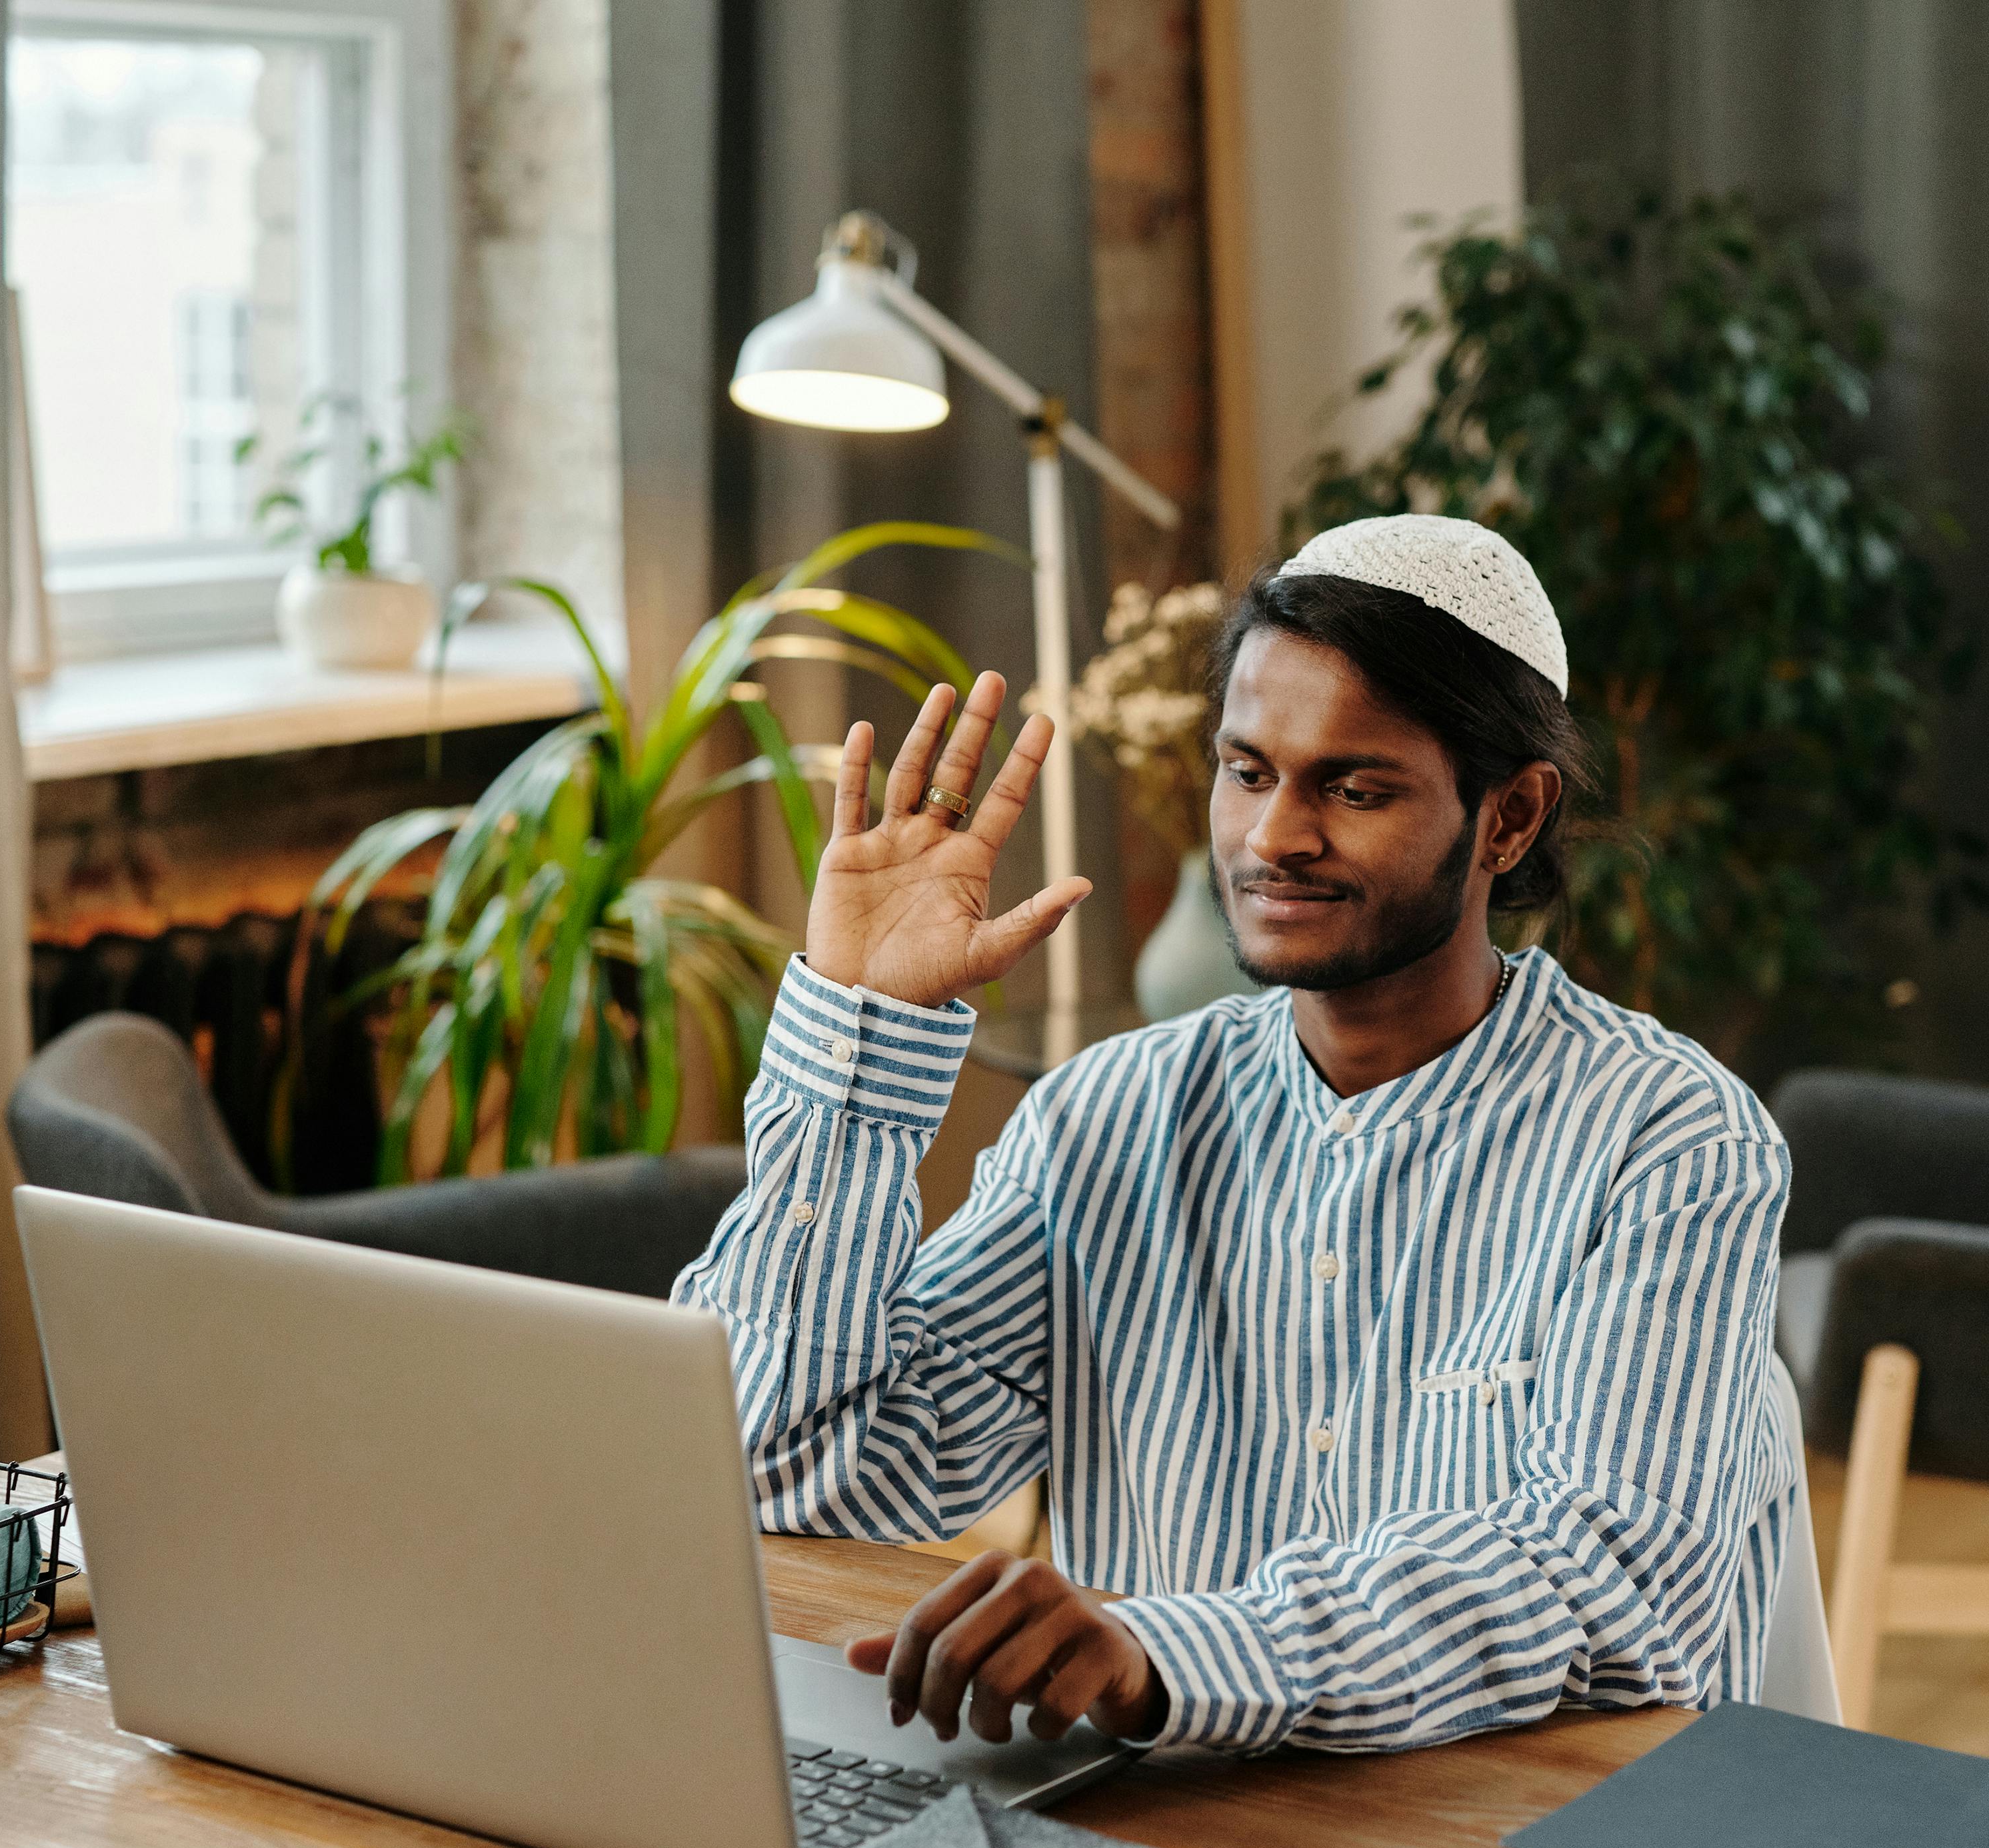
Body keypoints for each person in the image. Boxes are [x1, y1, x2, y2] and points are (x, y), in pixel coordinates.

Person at [673, 515, 1793, 1756]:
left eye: (1354, 788)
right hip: (1154, 1835)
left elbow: (1610, 1585)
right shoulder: (1106, 1122)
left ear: (1511, 819)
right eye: (1248, 771)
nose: (1272, 839)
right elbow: (801, 1476)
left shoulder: (1669, 1139)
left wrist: (1177, 1657)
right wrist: (863, 1031)